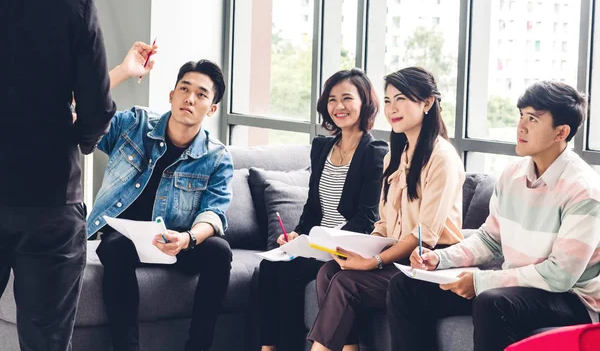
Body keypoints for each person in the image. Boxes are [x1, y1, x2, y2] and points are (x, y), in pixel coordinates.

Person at [387, 81, 600, 351]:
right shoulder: (512, 175)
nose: (521, 126)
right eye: (521, 115)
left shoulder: (584, 190)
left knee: (492, 301)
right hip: (516, 286)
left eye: (533, 119)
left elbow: (559, 276)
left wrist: (481, 282)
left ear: (562, 132)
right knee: (406, 287)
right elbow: (489, 240)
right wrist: (441, 258)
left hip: (572, 299)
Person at [0, 0, 116, 350]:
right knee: (45, 343)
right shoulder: (74, 3)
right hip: (50, 198)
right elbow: (98, 109)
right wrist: (80, 142)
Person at [86, 43, 234, 351]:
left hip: (177, 241)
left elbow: (215, 213)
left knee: (219, 251)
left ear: (213, 108)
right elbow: (80, 110)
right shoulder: (135, 124)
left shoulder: (218, 157)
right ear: (172, 94)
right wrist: (124, 71)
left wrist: (188, 239)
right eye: (184, 89)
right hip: (126, 238)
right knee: (113, 249)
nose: (190, 99)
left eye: (202, 94)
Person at [307, 67, 465, 351]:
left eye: (401, 99)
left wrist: (374, 262)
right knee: (329, 272)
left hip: (427, 265)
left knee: (346, 283)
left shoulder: (442, 158)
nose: (392, 109)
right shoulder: (397, 154)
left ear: (427, 103)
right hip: (398, 257)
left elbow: (424, 235)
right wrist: (358, 247)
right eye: (389, 101)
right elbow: (384, 223)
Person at [258, 69, 388, 351]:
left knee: (290, 274)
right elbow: (312, 210)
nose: (339, 107)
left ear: (364, 102)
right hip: (316, 241)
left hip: (346, 245)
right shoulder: (321, 148)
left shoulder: (375, 152)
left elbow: (367, 217)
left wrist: (325, 243)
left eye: (346, 98)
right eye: (332, 100)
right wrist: (297, 235)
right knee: (270, 266)